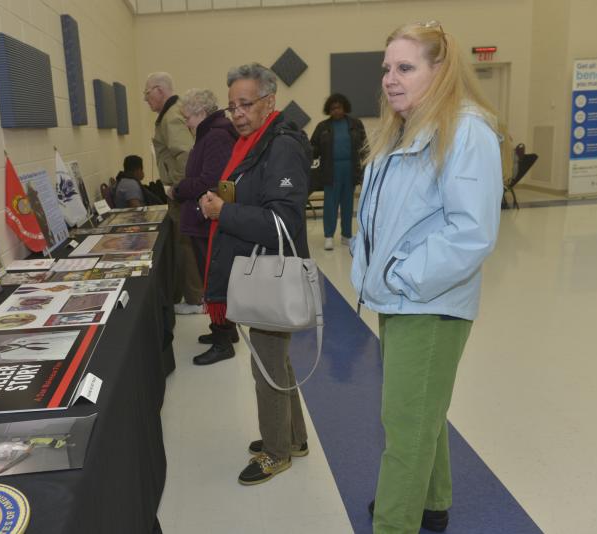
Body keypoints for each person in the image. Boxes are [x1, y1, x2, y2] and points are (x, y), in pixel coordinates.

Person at [350, 21, 511, 533]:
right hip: (397, 297)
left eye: (405, 68)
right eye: (387, 69)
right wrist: (375, 269)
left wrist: (403, 275)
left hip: (429, 301)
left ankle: (396, 523)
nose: (390, 79)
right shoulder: (402, 128)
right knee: (423, 409)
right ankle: (433, 501)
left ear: (439, 71)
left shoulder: (466, 132)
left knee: (405, 425)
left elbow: (472, 232)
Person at [199, 63, 310, 484]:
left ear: (270, 101)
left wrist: (224, 212)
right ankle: (293, 437)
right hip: (256, 268)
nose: (237, 114)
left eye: (245, 104)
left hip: (269, 274)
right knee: (276, 362)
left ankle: (276, 451)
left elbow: (282, 222)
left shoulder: (281, 146)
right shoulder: (251, 145)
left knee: (266, 366)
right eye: (231, 107)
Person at [174, 89, 238, 365]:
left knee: (214, 284)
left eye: (188, 117)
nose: (186, 123)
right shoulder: (212, 133)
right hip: (204, 221)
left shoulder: (216, 136)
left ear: (201, 113)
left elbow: (210, 180)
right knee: (213, 280)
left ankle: (223, 340)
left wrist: (178, 188)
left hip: (207, 222)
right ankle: (224, 330)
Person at [143, 72, 205, 314]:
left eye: (147, 93)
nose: (146, 99)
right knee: (184, 244)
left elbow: (186, 155)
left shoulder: (170, 118)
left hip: (182, 193)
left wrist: (178, 189)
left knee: (186, 245)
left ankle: (194, 299)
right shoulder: (174, 113)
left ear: (159, 90)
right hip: (183, 191)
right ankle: (192, 295)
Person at [310, 93, 367, 250]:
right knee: (330, 204)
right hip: (330, 169)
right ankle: (328, 236)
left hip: (350, 168)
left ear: (345, 108)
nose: (336, 111)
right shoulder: (322, 127)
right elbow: (313, 147)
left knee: (348, 204)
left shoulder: (356, 124)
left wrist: (368, 165)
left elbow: (365, 147)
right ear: (329, 109)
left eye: (339, 107)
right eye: (333, 108)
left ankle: (346, 235)